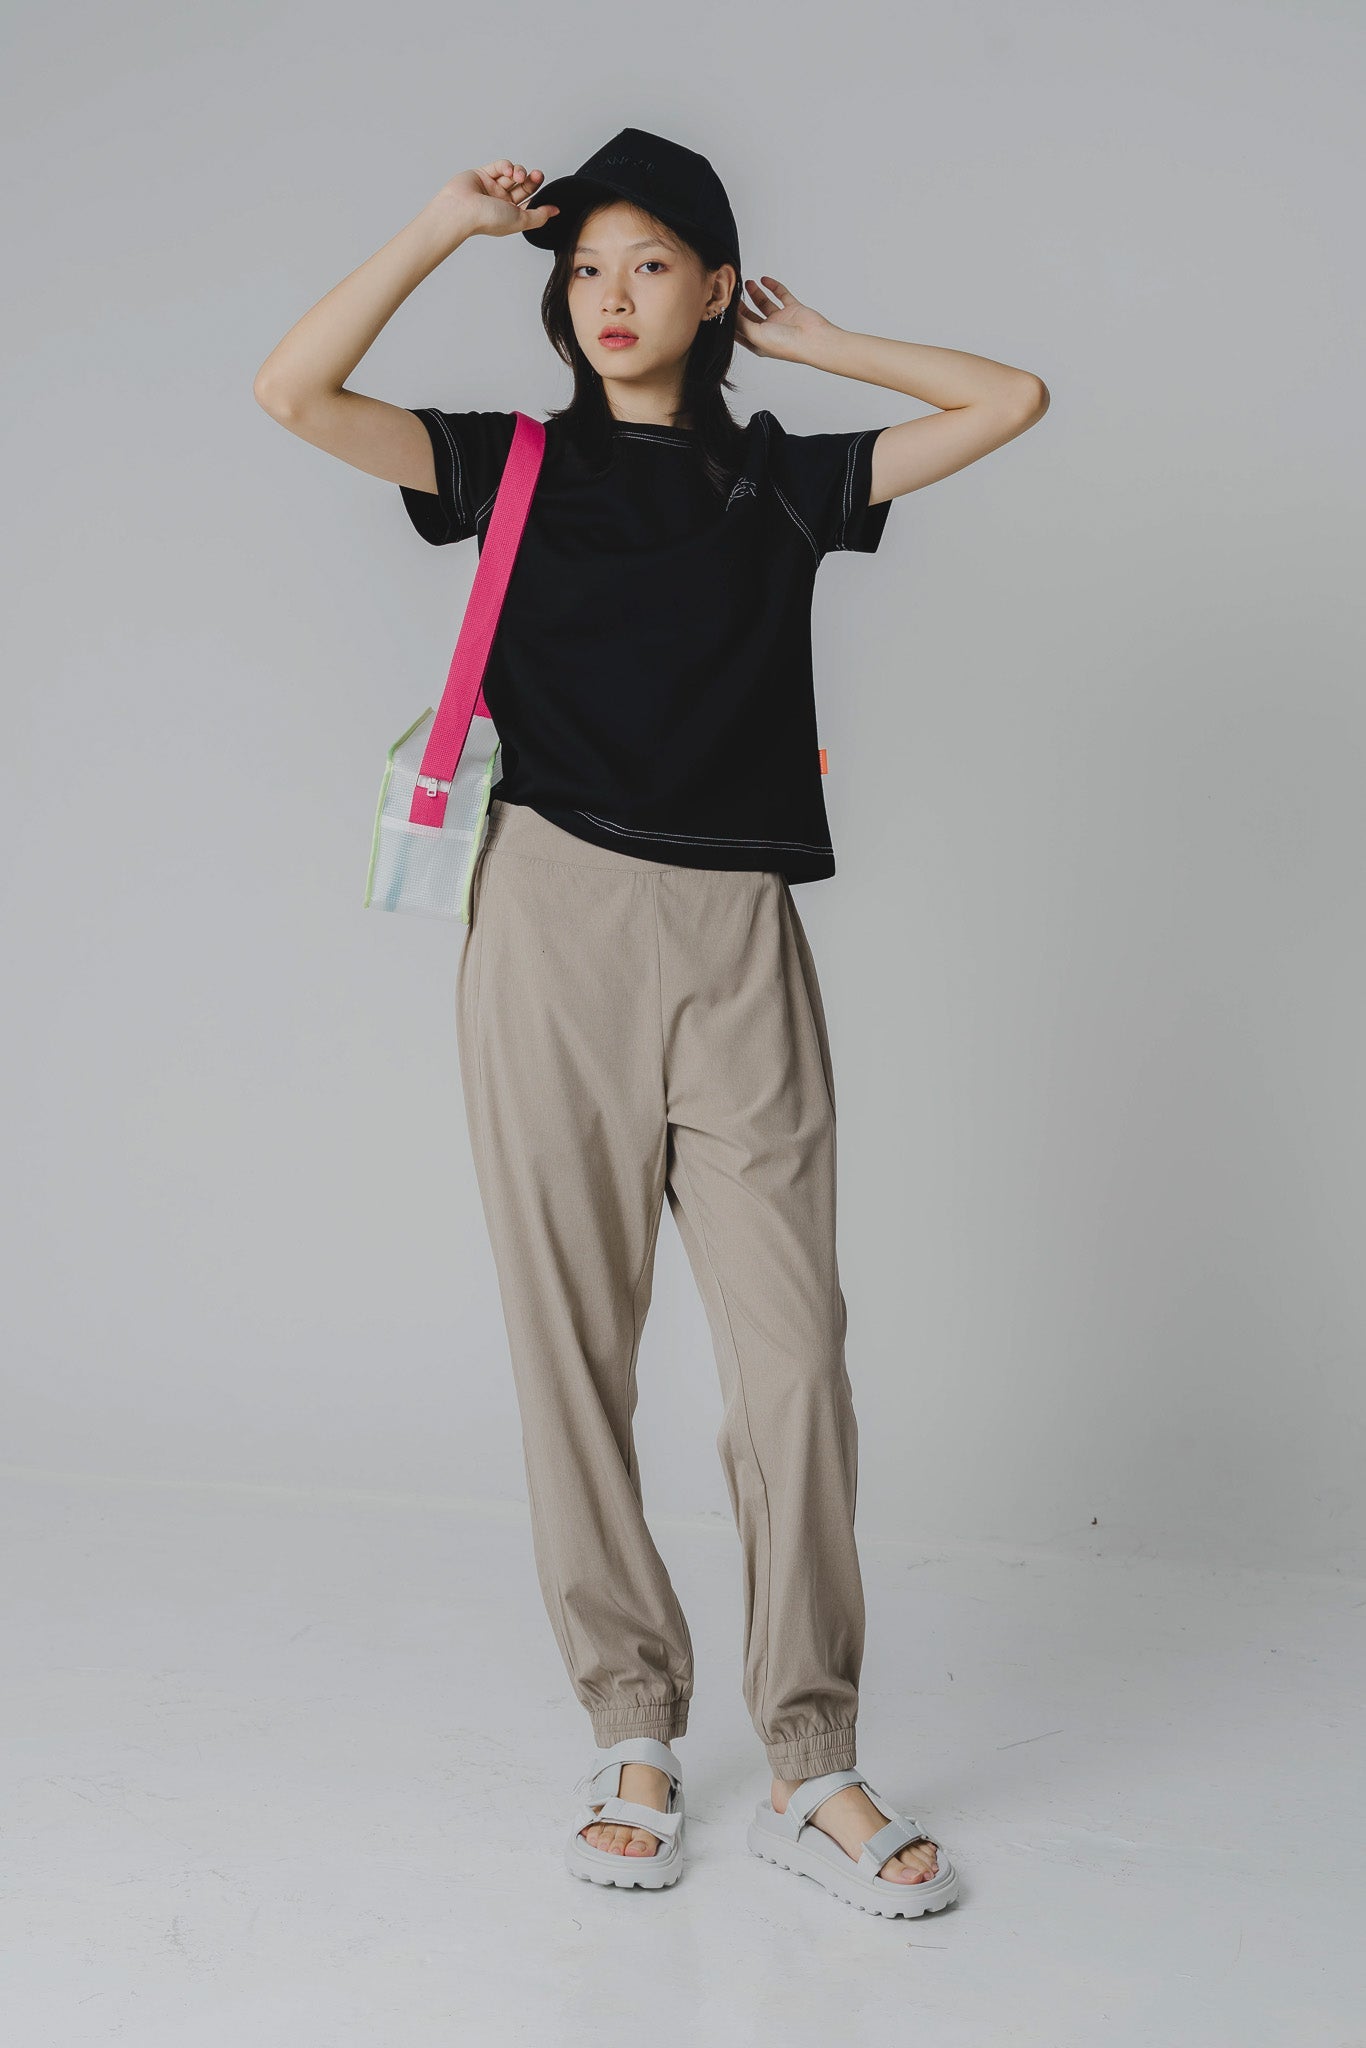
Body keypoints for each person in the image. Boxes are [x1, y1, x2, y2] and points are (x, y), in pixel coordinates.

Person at [254, 126, 1048, 1915]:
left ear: (712, 288)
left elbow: (1009, 399)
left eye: (650, 265)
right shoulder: (510, 463)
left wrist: (823, 346)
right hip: (548, 921)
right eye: (585, 267)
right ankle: (630, 1726)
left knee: (793, 1364)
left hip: (739, 934)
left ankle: (811, 1756)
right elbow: (292, 391)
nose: (609, 296)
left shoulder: (782, 483)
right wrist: (438, 226)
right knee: (572, 1348)